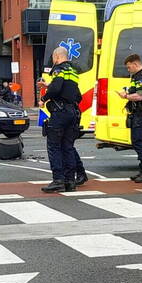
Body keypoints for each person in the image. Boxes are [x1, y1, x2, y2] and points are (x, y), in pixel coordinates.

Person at [38, 47, 82, 193]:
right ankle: (70, 181)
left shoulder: (58, 69)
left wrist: (44, 99)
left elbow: (56, 88)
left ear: (56, 56)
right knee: (67, 147)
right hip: (72, 112)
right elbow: (78, 95)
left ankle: (58, 180)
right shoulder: (73, 71)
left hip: (60, 113)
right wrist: (49, 86)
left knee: (54, 146)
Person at [116, 54, 142, 182]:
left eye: (129, 67)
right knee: (137, 141)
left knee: (138, 141)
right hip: (139, 111)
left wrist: (125, 96)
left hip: (140, 112)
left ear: (135, 64)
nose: (128, 70)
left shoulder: (141, 77)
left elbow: (140, 96)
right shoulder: (139, 76)